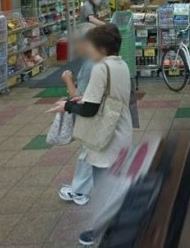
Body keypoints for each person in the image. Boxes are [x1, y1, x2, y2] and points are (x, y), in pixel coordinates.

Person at [48, 24, 132, 246]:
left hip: (106, 137)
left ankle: (106, 232)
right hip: (121, 131)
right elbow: (107, 98)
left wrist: (67, 106)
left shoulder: (100, 68)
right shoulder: (121, 64)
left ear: (101, 49)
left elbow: (89, 110)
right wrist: (80, 100)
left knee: (104, 187)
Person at [57, 23, 96, 206]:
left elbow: (80, 98)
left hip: (94, 116)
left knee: (88, 153)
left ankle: (80, 191)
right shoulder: (102, 59)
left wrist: (68, 80)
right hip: (106, 114)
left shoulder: (91, 65)